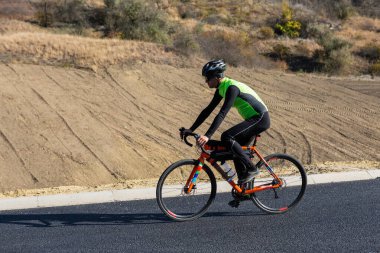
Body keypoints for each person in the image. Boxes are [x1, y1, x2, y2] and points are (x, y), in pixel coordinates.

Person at [180, 59, 270, 184]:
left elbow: (222, 113)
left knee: (227, 136)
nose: (206, 81)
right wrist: (191, 129)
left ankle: (252, 168)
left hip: (260, 118)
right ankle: (244, 191)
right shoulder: (221, 88)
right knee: (234, 150)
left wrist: (207, 136)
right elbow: (208, 110)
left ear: (217, 77)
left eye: (208, 78)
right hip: (252, 119)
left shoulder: (232, 88)